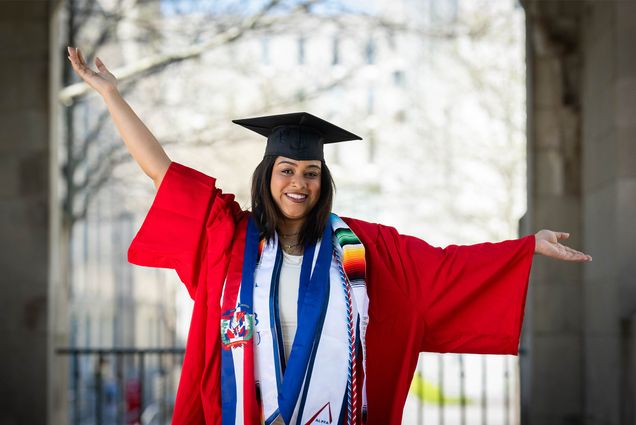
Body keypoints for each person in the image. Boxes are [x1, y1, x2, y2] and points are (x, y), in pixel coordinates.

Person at [67, 46, 592, 425]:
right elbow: (163, 173)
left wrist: (525, 247)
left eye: (310, 172)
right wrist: (112, 95)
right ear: (267, 174)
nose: (299, 182)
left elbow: (444, 268)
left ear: (324, 179)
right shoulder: (228, 239)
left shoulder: (361, 249)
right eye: (287, 170)